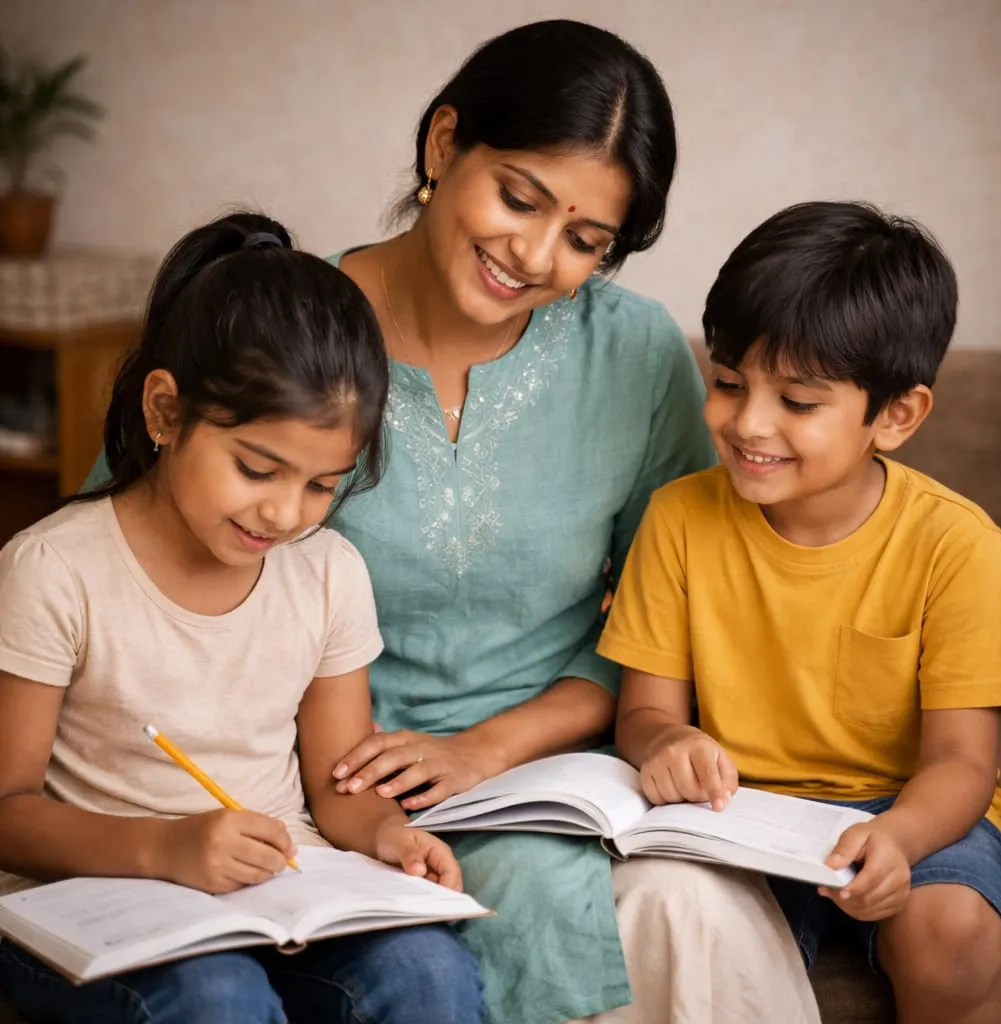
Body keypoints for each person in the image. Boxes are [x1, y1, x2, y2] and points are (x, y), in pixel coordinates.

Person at [321, 20, 819, 1024]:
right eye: (517, 197)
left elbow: (667, 612)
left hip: (548, 781)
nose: (533, 255)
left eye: (586, 241)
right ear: (442, 144)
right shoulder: (285, 323)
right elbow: (134, 553)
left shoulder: (634, 353)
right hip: (321, 776)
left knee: (696, 913)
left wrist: (488, 747)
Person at [0, 213, 483, 1024]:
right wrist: (167, 847)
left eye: (323, 486)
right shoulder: (55, 570)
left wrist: (389, 835)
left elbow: (340, 792)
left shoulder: (328, 574)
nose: (287, 513)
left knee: (428, 972)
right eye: (257, 468)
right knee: (216, 998)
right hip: (99, 910)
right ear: (164, 412)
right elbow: (7, 812)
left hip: (273, 899)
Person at [602, 200, 1001, 1024]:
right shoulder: (679, 518)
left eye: (797, 402)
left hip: (907, 810)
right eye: (728, 383)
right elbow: (646, 713)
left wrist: (898, 839)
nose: (748, 423)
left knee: (950, 933)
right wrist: (670, 741)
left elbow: (963, 764)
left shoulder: (956, 543)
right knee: (671, 923)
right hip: (738, 815)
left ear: (895, 416)